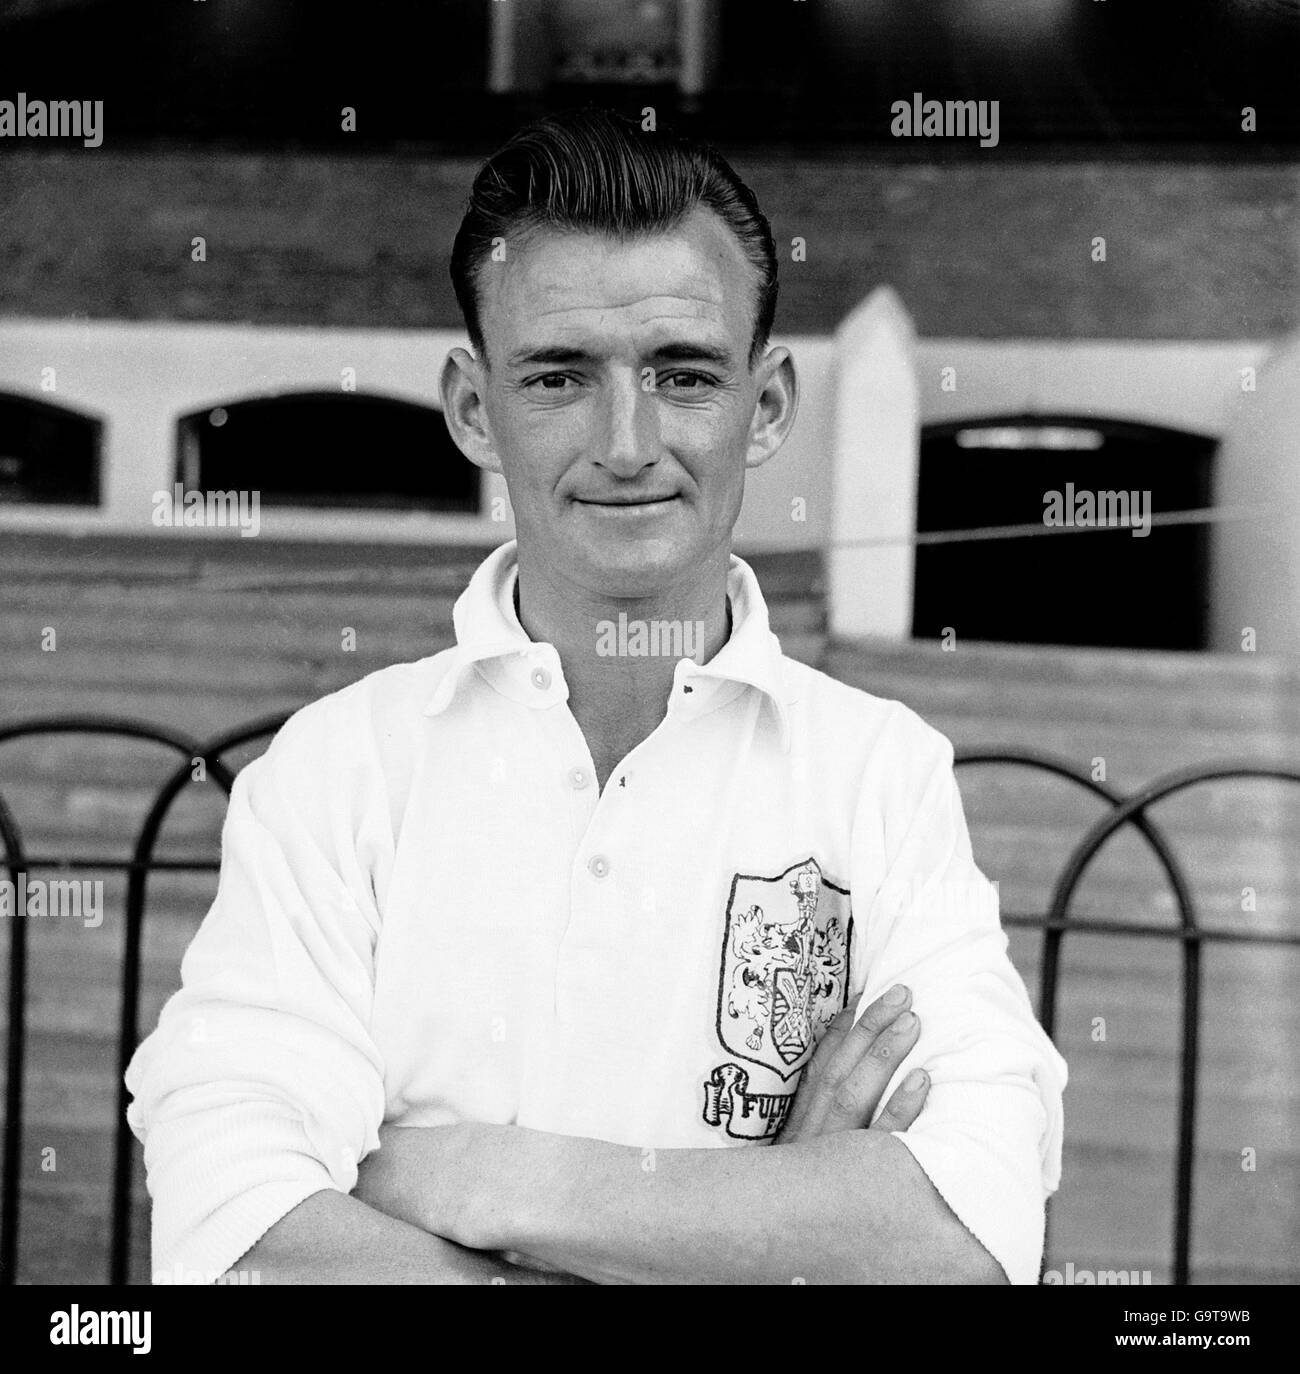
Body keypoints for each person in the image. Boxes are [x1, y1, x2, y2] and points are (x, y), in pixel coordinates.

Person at [125, 107, 1067, 1285]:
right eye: (560, 375)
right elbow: (237, 1228)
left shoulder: (881, 774)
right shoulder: (335, 775)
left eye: (682, 374)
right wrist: (765, 1222)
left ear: (764, 405)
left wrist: (479, 1177)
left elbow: (962, 1236)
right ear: (474, 407)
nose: (627, 443)